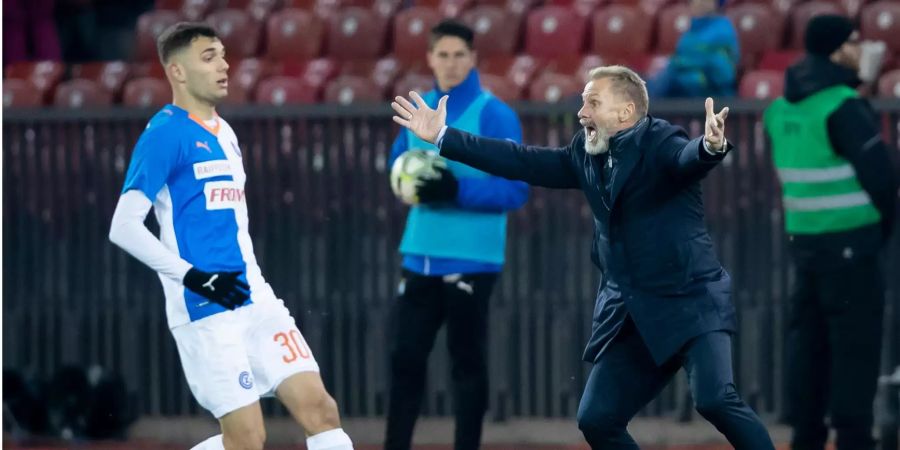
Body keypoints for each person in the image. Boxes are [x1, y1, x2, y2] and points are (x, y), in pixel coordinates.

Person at [391, 65, 776, 449]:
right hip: (632, 312)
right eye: (582, 102)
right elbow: (520, 159)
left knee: (714, 400)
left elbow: (685, 157)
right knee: (597, 419)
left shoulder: (660, 141)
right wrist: (442, 136)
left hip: (690, 301)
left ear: (625, 113)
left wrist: (709, 147)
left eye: (593, 102)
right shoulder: (583, 152)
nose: (581, 113)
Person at [107, 23, 354, 450]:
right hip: (204, 306)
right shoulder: (165, 133)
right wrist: (193, 277)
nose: (224, 66)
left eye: (222, 55)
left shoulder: (226, 132)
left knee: (321, 411)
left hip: (253, 296)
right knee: (246, 439)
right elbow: (124, 227)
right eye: (209, 57)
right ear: (177, 72)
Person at [384, 19, 528, 450]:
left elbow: (517, 187)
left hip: (473, 258)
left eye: (458, 55)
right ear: (429, 58)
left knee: (467, 366)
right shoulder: (416, 110)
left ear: (473, 59)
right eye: (442, 55)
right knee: (404, 360)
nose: (450, 63)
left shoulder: (494, 113)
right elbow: (398, 172)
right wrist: (411, 186)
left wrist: (456, 188)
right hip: (418, 256)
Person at [763, 15, 899, 450]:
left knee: (810, 348)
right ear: (839, 50)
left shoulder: (780, 108)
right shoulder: (842, 105)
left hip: (804, 245)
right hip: (854, 246)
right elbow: (883, 180)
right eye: (855, 42)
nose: (861, 50)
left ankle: (807, 437)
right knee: (854, 352)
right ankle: (853, 438)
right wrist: (880, 234)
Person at [647, 0, 739, 98]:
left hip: (712, 91)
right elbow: (680, 56)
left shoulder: (723, 30)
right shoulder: (690, 32)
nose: (697, 2)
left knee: (672, 79)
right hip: (682, 86)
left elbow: (724, 73)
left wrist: (677, 63)